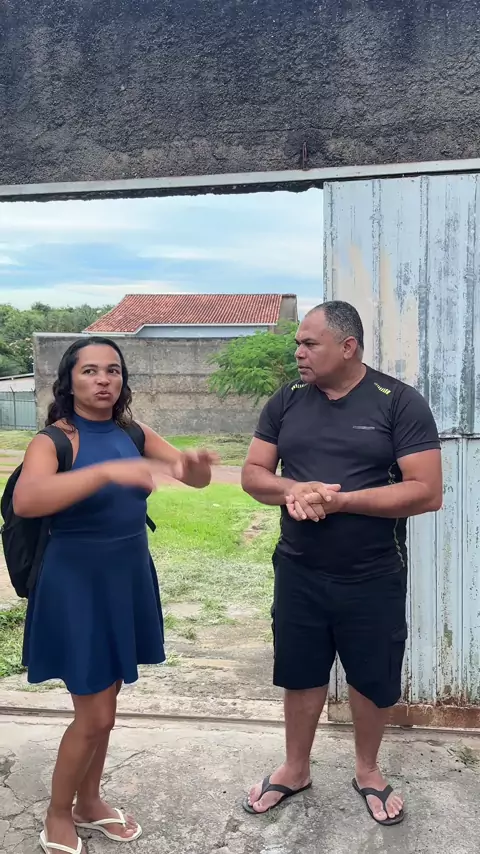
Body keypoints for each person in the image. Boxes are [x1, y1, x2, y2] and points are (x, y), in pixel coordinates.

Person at [241, 301, 442, 826]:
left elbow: (427, 491)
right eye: (298, 344)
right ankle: (295, 768)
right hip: (298, 568)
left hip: (372, 572)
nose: (299, 353)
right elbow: (254, 473)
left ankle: (368, 770)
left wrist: (342, 501)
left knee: (371, 674)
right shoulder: (287, 400)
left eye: (310, 344)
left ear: (348, 347)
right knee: (301, 671)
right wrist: (294, 489)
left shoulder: (398, 402)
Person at [15, 336, 217, 854]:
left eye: (113, 370)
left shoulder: (133, 431)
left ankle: (89, 802)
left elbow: (191, 477)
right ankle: (58, 813)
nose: (103, 379)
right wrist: (104, 472)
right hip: (77, 585)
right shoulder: (54, 441)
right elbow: (28, 499)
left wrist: (195, 465)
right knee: (96, 715)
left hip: (126, 578)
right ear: (69, 380)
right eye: (90, 371)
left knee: (107, 702)